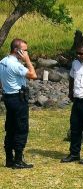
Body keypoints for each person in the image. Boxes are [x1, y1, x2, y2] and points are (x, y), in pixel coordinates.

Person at [0, 38, 37, 169]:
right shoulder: (15, 64)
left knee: (10, 128)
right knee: (21, 128)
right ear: (17, 50)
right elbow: (33, 75)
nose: (27, 53)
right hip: (18, 99)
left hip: (8, 98)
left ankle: (9, 159)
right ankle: (18, 160)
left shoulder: (3, 61)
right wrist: (27, 60)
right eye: (25, 50)